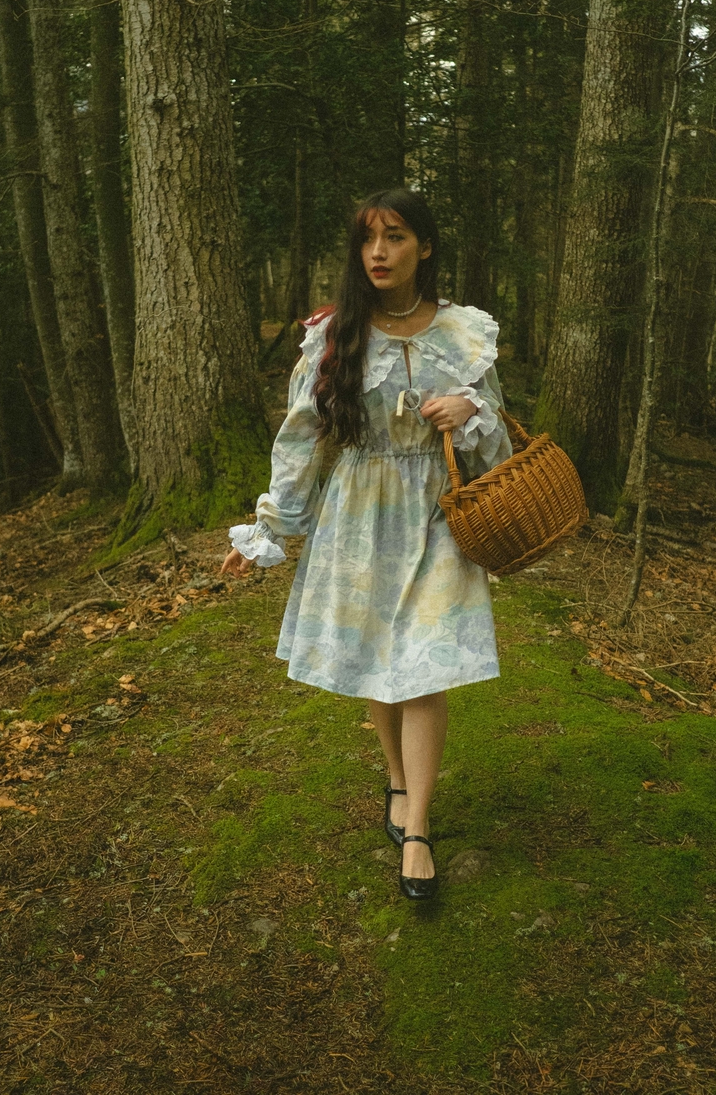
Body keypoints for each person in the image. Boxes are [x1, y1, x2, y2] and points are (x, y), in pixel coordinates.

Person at [221, 187, 511, 899]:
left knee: (424, 665)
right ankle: (395, 777)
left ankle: (417, 830)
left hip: (437, 515)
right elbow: (300, 441)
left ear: (426, 247)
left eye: (396, 237)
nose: (379, 253)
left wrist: (470, 408)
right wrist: (270, 529)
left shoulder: (465, 331)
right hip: (356, 516)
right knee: (380, 655)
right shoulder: (334, 334)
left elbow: (499, 440)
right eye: (369, 240)